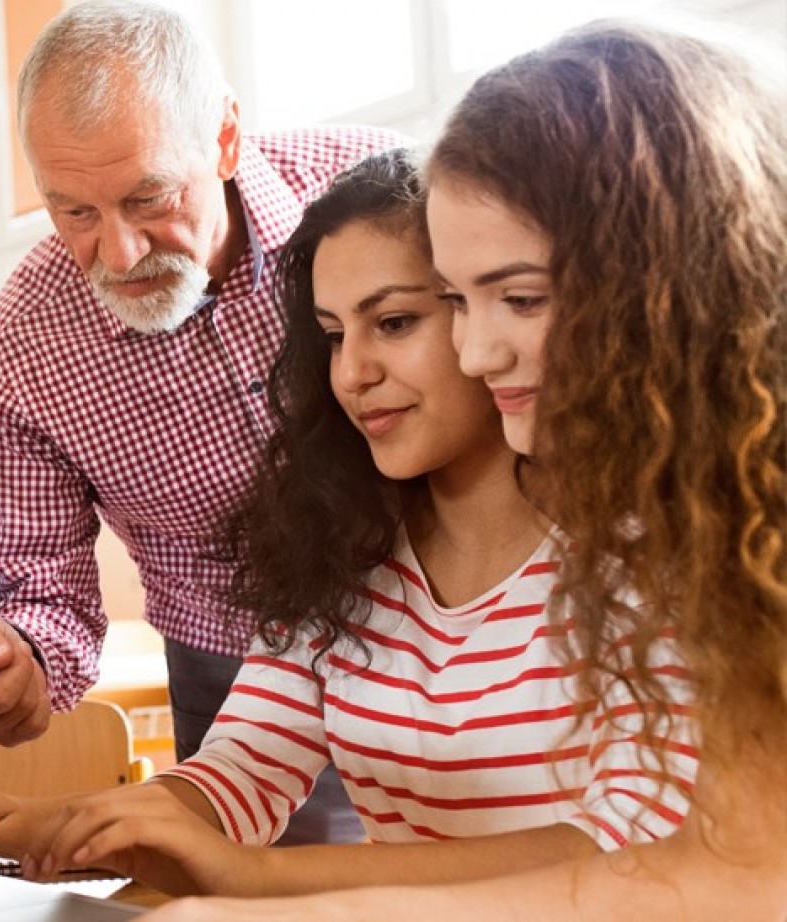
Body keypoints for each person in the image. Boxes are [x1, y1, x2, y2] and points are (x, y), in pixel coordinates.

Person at [146, 20, 787, 920]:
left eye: (518, 299)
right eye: (457, 301)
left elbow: (687, 872)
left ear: (669, 287)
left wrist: (264, 891)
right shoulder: (710, 511)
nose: (479, 352)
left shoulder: (703, 535)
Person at [0, 149, 694, 898]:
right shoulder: (342, 551)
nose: (351, 374)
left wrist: (263, 876)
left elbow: (633, 841)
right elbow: (242, 775)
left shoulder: (653, 549)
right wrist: (31, 826)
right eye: (334, 335)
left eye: (394, 322)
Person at [0, 0, 396, 843]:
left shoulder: (383, 206)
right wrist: (23, 664)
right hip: (233, 677)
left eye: (149, 198)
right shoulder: (16, 355)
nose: (118, 253)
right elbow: (42, 589)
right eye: (73, 212)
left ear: (224, 138)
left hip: (443, 641)